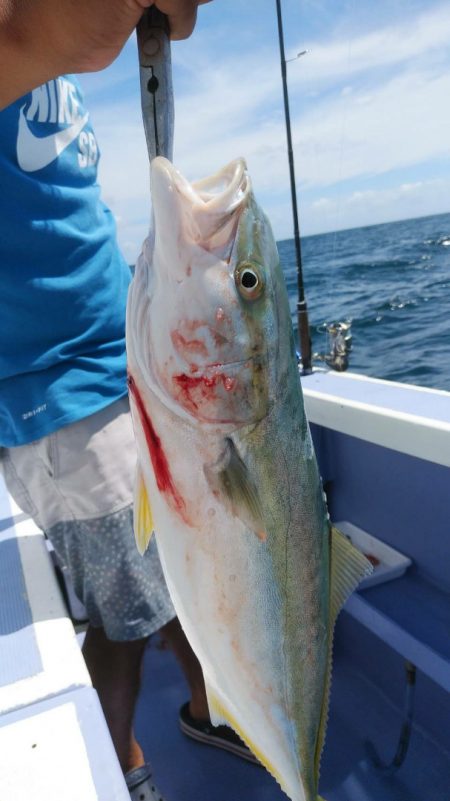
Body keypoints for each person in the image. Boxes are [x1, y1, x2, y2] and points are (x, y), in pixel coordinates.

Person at [0, 5, 256, 801]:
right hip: (60, 396)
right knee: (123, 618)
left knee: (166, 578)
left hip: (123, 364)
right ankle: (120, 770)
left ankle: (211, 707)